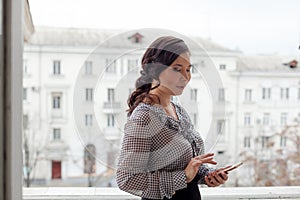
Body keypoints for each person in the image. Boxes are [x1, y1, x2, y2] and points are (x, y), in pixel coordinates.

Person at [116, 36, 229, 200]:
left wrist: (207, 175)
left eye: (188, 69)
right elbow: (127, 179)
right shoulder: (144, 117)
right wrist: (184, 177)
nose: (185, 76)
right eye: (177, 69)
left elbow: (187, 165)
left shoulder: (178, 110)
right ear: (155, 70)